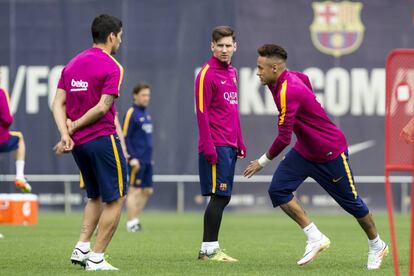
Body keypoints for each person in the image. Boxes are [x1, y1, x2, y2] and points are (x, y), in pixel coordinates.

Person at [243, 44, 388, 269]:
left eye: (260, 68)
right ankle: (315, 237)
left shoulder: (287, 90)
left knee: (353, 205)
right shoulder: (285, 79)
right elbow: (306, 80)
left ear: (274, 68)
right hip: (305, 151)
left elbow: (283, 139)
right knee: (278, 190)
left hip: (330, 152)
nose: (257, 72)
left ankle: (377, 245)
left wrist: (261, 162)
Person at [52, 14, 127, 271]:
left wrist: (65, 133)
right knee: (115, 199)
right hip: (103, 140)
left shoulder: (72, 64)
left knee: (94, 195)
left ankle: (82, 246)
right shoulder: (113, 66)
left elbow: (57, 103)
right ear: (111, 36)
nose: (121, 40)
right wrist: (72, 126)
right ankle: (96, 258)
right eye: (120, 36)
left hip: (79, 146)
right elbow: (102, 107)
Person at [195, 26, 246, 262]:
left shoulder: (232, 72)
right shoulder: (206, 74)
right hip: (216, 145)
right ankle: (208, 250)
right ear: (212, 46)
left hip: (229, 145)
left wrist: (240, 140)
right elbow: (202, 113)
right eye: (220, 45)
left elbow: (232, 111)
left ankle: (209, 249)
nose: (224, 50)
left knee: (222, 197)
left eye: (228, 45)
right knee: (220, 196)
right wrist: (208, 147)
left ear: (235, 47)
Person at [123, 82, 154, 232]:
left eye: (148, 95)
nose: (146, 98)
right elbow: (125, 136)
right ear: (135, 95)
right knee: (134, 190)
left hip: (147, 160)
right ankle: (131, 222)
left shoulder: (145, 113)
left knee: (147, 190)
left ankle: (135, 219)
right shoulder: (131, 113)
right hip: (137, 160)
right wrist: (132, 157)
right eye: (143, 95)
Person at [0, 86, 31, 193]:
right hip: (1, 139)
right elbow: (7, 119)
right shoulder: (1, 92)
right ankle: (19, 176)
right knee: (19, 138)